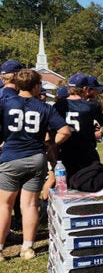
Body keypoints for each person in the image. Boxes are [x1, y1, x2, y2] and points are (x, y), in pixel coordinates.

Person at [0, 69, 71, 261]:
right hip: (36, 157)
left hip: (10, 156)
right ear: (36, 86)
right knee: (30, 204)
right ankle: (28, 248)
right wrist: (50, 145)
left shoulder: (5, 103)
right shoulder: (45, 107)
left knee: (4, 205)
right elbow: (65, 131)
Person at [54, 73, 103, 181]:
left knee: (66, 184)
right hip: (87, 152)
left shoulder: (58, 105)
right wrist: (100, 107)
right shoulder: (91, 106)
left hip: (65, 151)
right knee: (91, 182)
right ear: (85, 88)